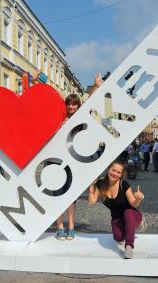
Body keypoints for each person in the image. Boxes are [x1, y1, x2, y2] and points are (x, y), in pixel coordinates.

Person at [48, 73, 102, 241]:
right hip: (53, 160)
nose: (71, 107)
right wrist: (36, 80)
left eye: (74, 105)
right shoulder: (60, 118)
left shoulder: (80, 119)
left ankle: (71, 227)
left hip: (70, 162)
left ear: (78, 106)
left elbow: (90, 103)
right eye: (69, 105)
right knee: (56, 195)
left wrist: (96, 86)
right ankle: (60, 227)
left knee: (70, 196)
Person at [88, 160, 146, 259]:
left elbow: (133, 203)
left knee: (128, 212)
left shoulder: (123, 184)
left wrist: (139, 199)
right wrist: (91, 186)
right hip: (117, 218)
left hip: (132, 215)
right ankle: (128, 229)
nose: (115, 173)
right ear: (108, 169)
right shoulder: (101, 184)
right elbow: (91, 202)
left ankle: (129, 246)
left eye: (118, 172)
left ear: (121, 175)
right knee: (118, 238)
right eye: (113, 170)